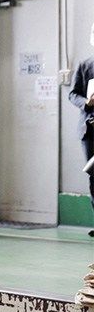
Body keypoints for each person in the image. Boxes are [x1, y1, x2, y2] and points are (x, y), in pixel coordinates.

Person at [69, 24, 94, 237]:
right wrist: (87, 102)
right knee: (93, 175)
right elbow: (73, 94)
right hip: (90, 129)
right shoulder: (85, 65)